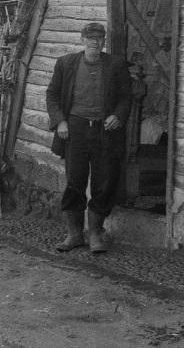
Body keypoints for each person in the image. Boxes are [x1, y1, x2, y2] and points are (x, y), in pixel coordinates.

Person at [46, 22, 131, 254]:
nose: (95, 42)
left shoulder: (115, 64)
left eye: (100, 38)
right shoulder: (66, 63)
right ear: (82, 39)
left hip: (105, 130)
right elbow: (52, 94)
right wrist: (60, 121)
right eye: (91, 38)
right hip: (75, 128)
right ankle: (74, 235)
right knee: (75, 180)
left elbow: (126, 96)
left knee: (103, 182)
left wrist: (118, 115)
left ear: (104, 41)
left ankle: (95, 233)